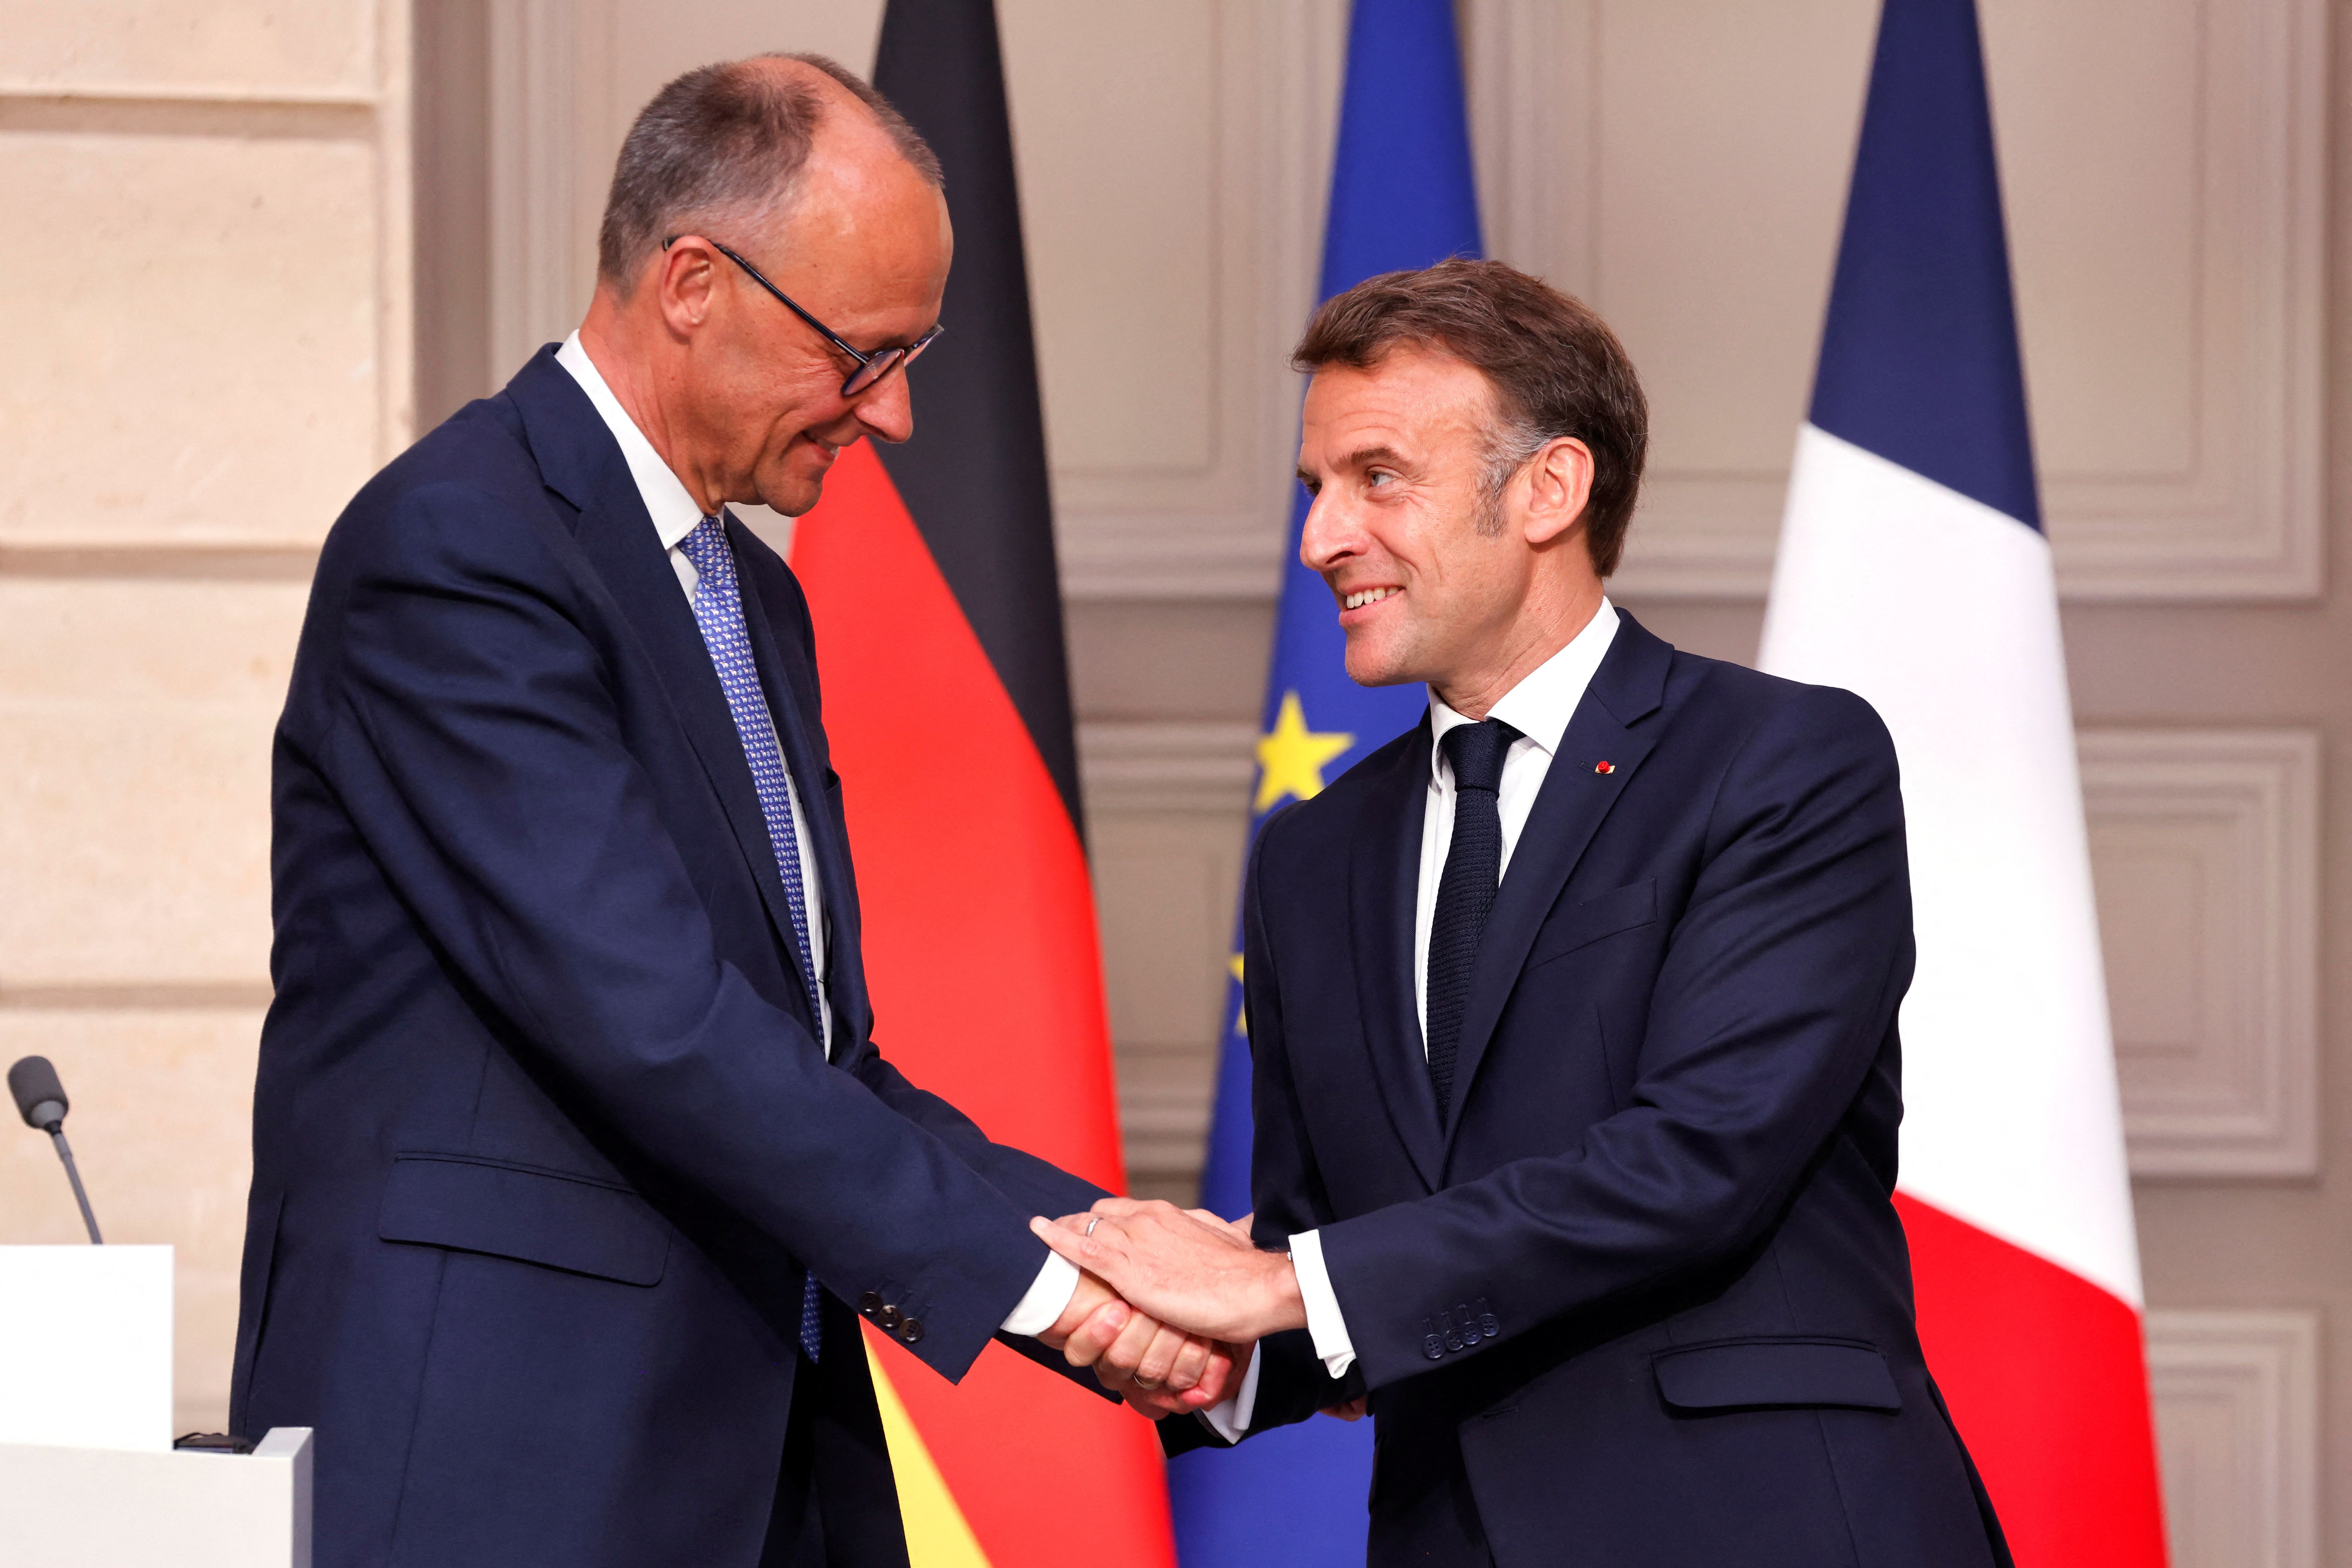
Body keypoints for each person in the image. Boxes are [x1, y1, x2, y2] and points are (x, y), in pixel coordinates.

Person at [229, 54, 1223, 1568]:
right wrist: (1054, 1295)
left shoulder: (746, 592)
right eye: (863, 355)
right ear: (694, 281)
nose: (894, 418)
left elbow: (814, 1062)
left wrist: (1129, 1264)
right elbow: (653, 1020)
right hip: (507, 1463)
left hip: (747, 1451)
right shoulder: (459, 549)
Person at [1040, 259, 2014, 1567]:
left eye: (1377, 478)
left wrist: (1276, 1288)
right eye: (1318, 489)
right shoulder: (1311, 859)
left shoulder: (1784, 762)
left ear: (1550, 490)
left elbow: (1699, 1162)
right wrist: (1192, 1352)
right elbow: (1339, 1253)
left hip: (1767, 1527)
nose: (1323, 538)